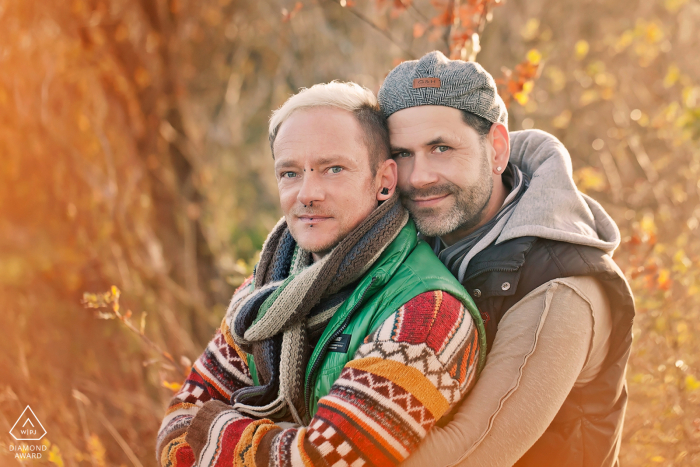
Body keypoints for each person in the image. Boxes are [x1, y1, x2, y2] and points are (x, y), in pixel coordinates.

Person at [155, 81, 486, 467]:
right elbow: (174, 432)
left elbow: (320, 460)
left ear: (384, 180)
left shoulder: (429, 313)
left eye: (333, 169)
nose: (307, 193)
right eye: (290, 173)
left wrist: (211, 430)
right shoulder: (263, 292)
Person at [377, 51, 635, 467]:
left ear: (497, 149)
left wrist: (282, 450)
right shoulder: (415, 244)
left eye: (441, 147)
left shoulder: (561, 289)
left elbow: (468, 456)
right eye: (403, 154)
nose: (419, 177)